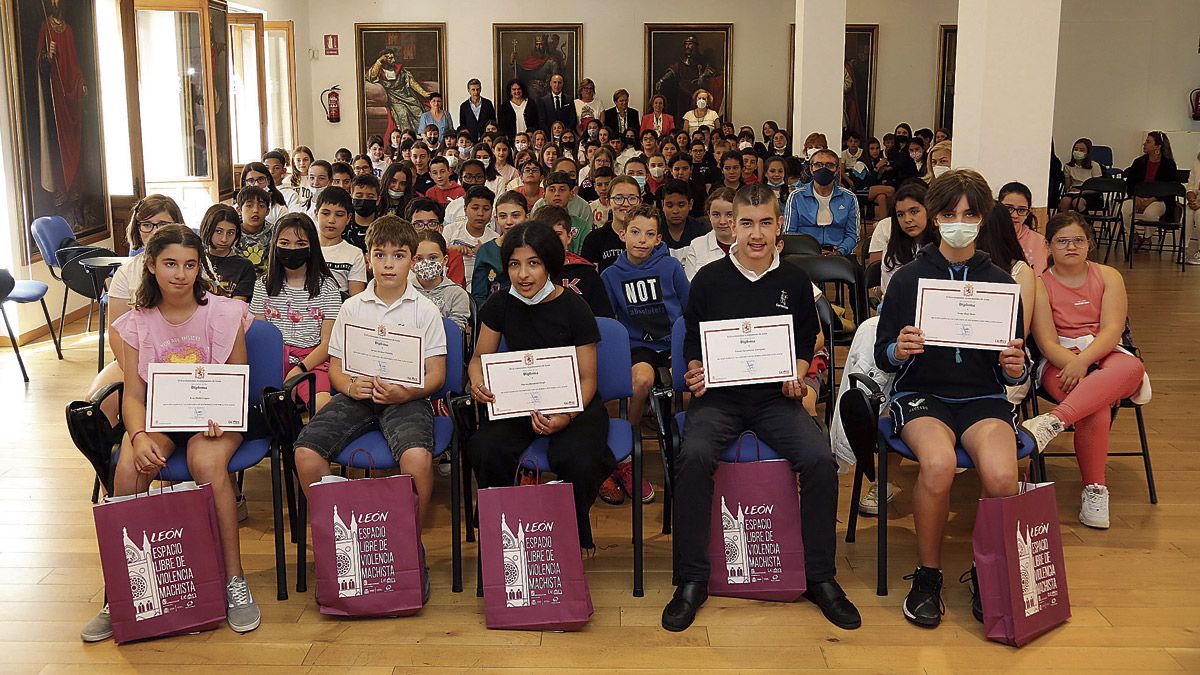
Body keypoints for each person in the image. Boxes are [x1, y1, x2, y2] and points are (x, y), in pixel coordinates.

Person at [663, 184, 860, 633]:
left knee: (818, 460)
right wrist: (695, 371)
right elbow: (693, 341)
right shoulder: (709, 278)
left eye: (765, 223)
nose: (756, 234)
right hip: (720, 399)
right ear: (731, 225)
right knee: (691, 458)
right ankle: (692, 579)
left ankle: (820, 576)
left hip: (776, 400)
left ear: (779, 227)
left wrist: (798, 374)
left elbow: (805, 344)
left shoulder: (794, 281)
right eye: (746, 223)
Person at [81, 225, 261, 642]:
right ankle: (122, 593)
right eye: (170, 264)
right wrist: (140, 435)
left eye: (190, 264)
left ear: (201, 268)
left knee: (207, 462)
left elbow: (238, 378)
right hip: (159, 417)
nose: (180, 274)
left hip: (213, 420)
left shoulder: (225, 312)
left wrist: (220, 412)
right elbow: (133, 395)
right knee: (129, 465)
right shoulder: (133, 324)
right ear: (151, 265)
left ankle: (233, 579)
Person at [874, 169, 1028, 628]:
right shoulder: (908, 279)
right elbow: (884, 355)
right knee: (938, 464)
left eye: (969, 214)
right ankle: (928, 575)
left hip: (982, 397)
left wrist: (1014, 366)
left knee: (1003, 476)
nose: (958, 221)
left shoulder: (1002, 282)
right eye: (948, 213)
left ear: (982, 219)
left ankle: (987, 572)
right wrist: (896, 348)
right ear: (935, 218)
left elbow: (1011, 362)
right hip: (922, 394)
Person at [290, 217, 447, 573]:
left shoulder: (426, 310)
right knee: (305, 453)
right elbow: (336, 368)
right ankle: (336, 542)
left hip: (406, 397)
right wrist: (349, 386)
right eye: (380, 254)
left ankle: (409, 544)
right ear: (368, 258)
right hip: (356, 396)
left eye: (399, 255)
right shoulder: (352, 307)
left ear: (412, 260)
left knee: (418, 460)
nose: (389, 263)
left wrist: (406, 391)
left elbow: (436, 375)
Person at [467, 222, 617, 550]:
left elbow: (588, 378)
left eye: (533, 263)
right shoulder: (501, 303)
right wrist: (477, 382)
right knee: (486, 448)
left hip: (573, 404)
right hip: (518, 402)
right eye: (514, 264)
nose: (523, 274)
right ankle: (503, 531)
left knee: (575, 458)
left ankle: (565, 537)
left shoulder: (575, 307)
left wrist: (565, 416)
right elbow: (479, 358)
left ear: (549, 263)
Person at [1022, 211, 1147, 529]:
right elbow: (1047, 342)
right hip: (1059, 361)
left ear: (1089, 243)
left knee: (1132, 366)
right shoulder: (1039, 285)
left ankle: (1053, 422)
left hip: (1104, 353)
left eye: (1078, 239)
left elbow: (1112, 330)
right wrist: (1075, 364)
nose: (1071, 246)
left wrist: (1085, 362)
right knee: (1095, 406)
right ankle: (1095, 489)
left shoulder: (1109, 276)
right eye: (1062, 241)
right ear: (1048, 246)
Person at [600, 201, 689, 438]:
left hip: (674, 343)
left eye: (649, 234)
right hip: (639, 347)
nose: (642, 240)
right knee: (640, 382)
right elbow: (609, 321)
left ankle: (677, 434)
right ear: (622, 234)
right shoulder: (610, 275)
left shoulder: (671, 267)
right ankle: (630, 435)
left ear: (658, 239)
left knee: (686, 382)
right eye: (635, 232)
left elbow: (689, 308)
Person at [250, 213, 341, 409]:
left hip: (312, 360)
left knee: (323, 408)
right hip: (273, 359)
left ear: (311, 247)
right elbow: (261, 338)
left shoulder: (328, 287)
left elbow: (328, 343)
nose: (292, 249)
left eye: (300, 244)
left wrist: (300, 368)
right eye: (285, 242)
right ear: (275, 245)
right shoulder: (262, 285)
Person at [538, 205, 613, 319]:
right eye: (545, 233)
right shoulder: (527, 273)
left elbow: (604, 320)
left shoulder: (587, 273)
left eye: (558, 234)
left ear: (569, 237)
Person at [783, 149, 861, 256]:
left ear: (837, 170)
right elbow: (789, 233)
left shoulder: (849, 198)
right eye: (818, 165)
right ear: (811, 168)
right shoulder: (796, 196)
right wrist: (810, 251)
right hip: (805, 254)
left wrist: (839, 252)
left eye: (829, 165)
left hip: (839, 254)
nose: (823, 169)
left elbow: (853, 234)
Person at [313, 186, 368, 298]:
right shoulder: (304, 248)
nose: (331, 220)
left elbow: (355, 300)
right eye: (325, 213)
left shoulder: (355, 254)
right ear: (316, 214)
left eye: (339, 215)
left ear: (348, 218)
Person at [367, 47, 433, 141]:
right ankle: (407, 139)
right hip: (393, 97)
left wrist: (424, 93)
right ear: (383, 59)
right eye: (389, 58)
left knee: (417, 109)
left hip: (406, 95)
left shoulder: (400, 69)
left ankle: (421, 137)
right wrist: (379, 61)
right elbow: (372, 76)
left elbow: (412, 82)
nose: (393, 60)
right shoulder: (379, 70)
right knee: (402, 112)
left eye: (393, 57)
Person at [413, 229, 471, 333]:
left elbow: (454, 332)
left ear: (445, 260)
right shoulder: (403, 290)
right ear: (412, 261)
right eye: (419, 258)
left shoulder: (457, 294)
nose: (426, 263)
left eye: (432, 257)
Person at [442, 185, 497, 293]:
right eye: (475, 208)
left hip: (483, 289)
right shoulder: (450, 230)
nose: (480, 213)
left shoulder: (495, 239)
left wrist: (485, 253)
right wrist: (451, 251)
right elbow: (438, 259)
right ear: (465, 209)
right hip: (452, 286)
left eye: (486, 209)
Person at [1121, 131, 1179, 232]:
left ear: (1158, 146)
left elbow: (1169, 189)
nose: (1144, 144)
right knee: (1124, 209)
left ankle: (1148, 238)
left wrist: (1151, 199)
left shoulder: (1168, 164)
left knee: (1150, 213)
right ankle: (1133, 235)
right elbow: (1130, 183)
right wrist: (1135, 196)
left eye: (1148, 142)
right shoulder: (1138, 162)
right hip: (1138, 197)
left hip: (1159, 199)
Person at [583, 175, 641, 273]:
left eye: (632, 198)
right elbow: (591, 281)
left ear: (640, 202)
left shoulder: (649, 238)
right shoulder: (594, 239)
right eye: (618, 198)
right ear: (608, 203)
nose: (626, 204)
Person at [406, 197, 466, 287]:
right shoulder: (402, 256)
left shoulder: (453, 257)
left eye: (432, 223)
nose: (425, 228)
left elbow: (455, 292)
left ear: (441, 228)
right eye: (418, 224)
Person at [200, 204, 255, 303]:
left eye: (230, 233)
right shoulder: (196, 260)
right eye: (218, 231)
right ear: (207, 229)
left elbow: (237, 306)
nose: (224, 239)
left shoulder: (244, 267)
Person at [679, 187, 735, 280]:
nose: (722, 221)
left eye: (729, 214)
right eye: (716, 214)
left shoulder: (748, 244)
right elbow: (692, 287)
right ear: (709, 215)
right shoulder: (696, 246)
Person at [998, 182, 1048, 275]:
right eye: (1008, 208)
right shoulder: (987, 238)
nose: (1014, 215)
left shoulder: (1040, 242)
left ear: (1028, 213)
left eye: (1021, 210)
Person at [659, 179, 709, 250]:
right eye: (670, 205)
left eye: (681, 205)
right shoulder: (654, 229)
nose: (675, 211)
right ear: (662, 205)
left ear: (690, 204)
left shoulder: (700, 231)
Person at [235, 186, 275, 274]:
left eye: (261, 206)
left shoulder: (275, 233)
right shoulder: (232, 233)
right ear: (239, 210)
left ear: (267, 211)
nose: (256, 210)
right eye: (249, 205)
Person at [1059, 138, 1104, 213]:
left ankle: (1085, 223)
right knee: (1064, 201)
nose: (1078, 152)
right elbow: (1067, 186)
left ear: (1087, 153)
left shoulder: (1094, 166)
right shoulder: (1068, 166)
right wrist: (1070, 190)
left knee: (1077, 202)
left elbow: (1098, 188)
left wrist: (1083, 191)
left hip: (1090, 193)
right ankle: (1063, 223)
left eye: (1081, 150)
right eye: (1076, 149)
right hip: (1075, 191)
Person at [443, 159, 488, 227]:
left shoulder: (492, 206)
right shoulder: (453, 206)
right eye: (468, 177)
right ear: (461, 179)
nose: (473, 181)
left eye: (479, 177)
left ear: (485, 179)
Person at [345, 173, 381, 252]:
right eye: (359, 196)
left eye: (370, 197)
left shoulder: (384, 228)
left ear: (378, 200)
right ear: (351, 197)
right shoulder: (343, 227)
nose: (364, 199)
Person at [1186, 143, 1200, 265]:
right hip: (1197, 198)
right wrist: (1191, 197)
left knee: (1199, 214)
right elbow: (1191, 185)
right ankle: (1183, 248)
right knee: (1188, 212)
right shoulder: (1197, 162)